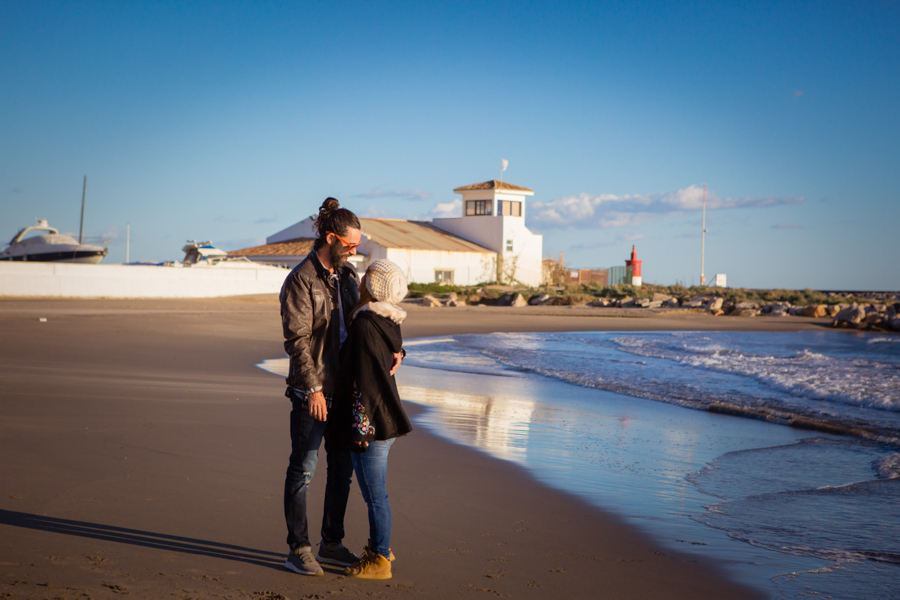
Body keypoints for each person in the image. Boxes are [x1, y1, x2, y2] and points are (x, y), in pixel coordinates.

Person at [280, 197, 363, 576]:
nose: (354, 251)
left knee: (341, 470)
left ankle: (332, 543)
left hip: (344, 391)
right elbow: (297, 340)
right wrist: (313, 390)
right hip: (311, 392)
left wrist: (398, 350)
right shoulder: (301, 279)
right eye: (350, 245)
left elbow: (366, 322)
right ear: (331, 238)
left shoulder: (347, 278)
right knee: (304, 470)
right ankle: (298, 548)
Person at [334, 259, 413, 580]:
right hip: (383, 416)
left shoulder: (366, 324)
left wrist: (361, 429)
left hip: (372, 422)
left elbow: (363, 380)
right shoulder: (388, 318)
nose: (362, 279)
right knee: (373, 494)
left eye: (368, 276)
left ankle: (380, 558)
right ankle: (381, 545)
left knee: (375, 495)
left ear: (374, 285)